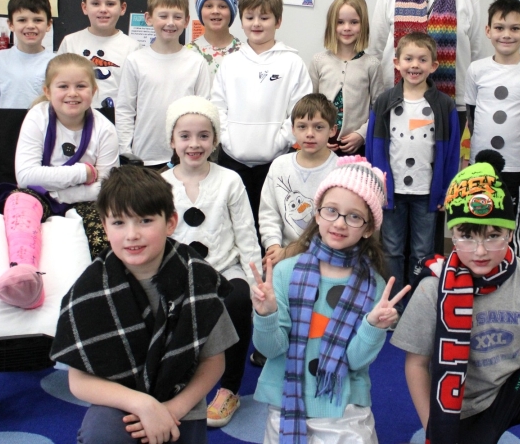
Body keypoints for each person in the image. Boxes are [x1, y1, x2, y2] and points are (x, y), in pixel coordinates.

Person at [392, 150, 520, 444]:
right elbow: (415, 364)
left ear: (510, 234)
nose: (480, 251)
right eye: (467, 236)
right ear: (452, 233)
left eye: (493, 236)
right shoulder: (433, 287)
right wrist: (433, 430)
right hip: (458, 409)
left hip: (508, 390)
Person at [50, 165, 237, 444]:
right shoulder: (90, 289)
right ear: (104, 226)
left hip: (181, 404)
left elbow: (214, 361)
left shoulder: (196, 277)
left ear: (171, 222)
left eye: (145, 221)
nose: (132, 234)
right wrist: (144, 405)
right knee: (103, 436)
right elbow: (78, 382)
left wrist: (174, 409)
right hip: (120, 404)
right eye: (119, 223)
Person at [250, 156, 408, 444]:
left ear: (369, 228)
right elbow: (271, 349)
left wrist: (374, 326)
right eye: (331, 211)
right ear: (317, 213)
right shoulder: (285, 272)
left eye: (354, 216)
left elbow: (355, 361)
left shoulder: (375, 287)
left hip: (344, 408)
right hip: (287, 401)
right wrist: (266, 314)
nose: (339, 223)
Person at [160, 96, 261, 428]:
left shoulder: (229, 180)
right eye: (185, 136)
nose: (194, 144)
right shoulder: (161, 184)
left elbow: (246, 233)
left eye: (204, 136)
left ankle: (229, 387)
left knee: (237, 300)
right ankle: (171, 379)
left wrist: (256, 280)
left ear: (215, 140)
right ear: (172, 140)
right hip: (178, 271)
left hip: (224, 268)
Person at [0, 54, 119, 309]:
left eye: (81, 86)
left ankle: (105, 292)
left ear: (93, 91)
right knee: (18, 202)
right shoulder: (37, 117)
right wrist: (83, 173)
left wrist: (60, 193)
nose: (72, 93)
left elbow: (107, 186)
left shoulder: (104, 129)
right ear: (47, 91)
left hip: (81, 199)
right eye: (63, 86)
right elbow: (26, 176)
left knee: (104, 234)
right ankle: (24, 276)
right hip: (39, 194)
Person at [366, 32, 460, 300]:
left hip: (427, 193)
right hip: (391, 194)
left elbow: (451, 152)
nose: (415, 65)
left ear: (434, 66)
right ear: (396, 63)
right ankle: (393, 303)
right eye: (408, 58)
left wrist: (446, 192)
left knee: (423, 252)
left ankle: (419, 304)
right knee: (392, 249)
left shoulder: (444, 105)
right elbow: (374, 148)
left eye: (422, 59)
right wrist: (376, 186)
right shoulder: (384, 102)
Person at [211, 0, 312, 233]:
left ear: (278, 21)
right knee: (236, 227)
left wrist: (280, 141)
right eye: (250, 17)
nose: (256, 23)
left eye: (264, 18)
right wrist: (227, 140)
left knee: (271, 228)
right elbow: (217, 107)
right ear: (241, 20)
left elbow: (300, 110)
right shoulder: (230, 62)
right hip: (232, 162)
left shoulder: (292, 62)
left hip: (276, 163)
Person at [464, 0, 520, 257]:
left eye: (515, 28)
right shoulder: (476, 70)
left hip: (516, 168)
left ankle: (511, 281)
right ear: (488, 30)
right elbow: (472, 116)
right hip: (480, 168)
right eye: (500, 28)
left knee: (512, 230)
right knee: (477, 228)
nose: (507, 34)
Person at [116, 0, 211, 168]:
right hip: (144, 156)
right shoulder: (135, 60)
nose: (170, 23)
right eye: (163, 16)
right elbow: (125, 110)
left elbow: (204, 111)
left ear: (186, 21)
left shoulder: (197, 63)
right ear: (149, 18)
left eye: (177, 17)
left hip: (185, 156)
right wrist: (125, 151)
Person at [260, 93, 339, 267]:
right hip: (282, 255)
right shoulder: (279, 165)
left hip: (327, 255)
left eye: (319, 127)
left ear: (332, 130)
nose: (310, 134)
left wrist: (289, 252)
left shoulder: (340, 170)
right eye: (302, 127)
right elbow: (269, 213)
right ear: (293, 129)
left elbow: (335, 223)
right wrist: (273, 246)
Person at [309, 0, 383, 156]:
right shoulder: (319, 61)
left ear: (363, 26)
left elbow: (379, 109)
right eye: (340, 22)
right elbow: (310, 105)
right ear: (331, 25)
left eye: (354, 22)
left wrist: (362, 134)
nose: (347, 28)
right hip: (322, 145)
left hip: (356, 147)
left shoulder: (372, 65)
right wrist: (318, 134)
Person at [58, 0, 141, 107]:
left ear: (122, 8)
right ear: (85, 7)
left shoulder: (133, 47)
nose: (103, 9)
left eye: (110, 4)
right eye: (95, 3)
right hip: (76, 117)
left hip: (117, 120)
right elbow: (59, 84)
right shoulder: (70, 42)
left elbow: (135, 93)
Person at [0, 0, 55, 108]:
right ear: (11, 24)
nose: (30, 26)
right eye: (22, 20)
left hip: (43, 125)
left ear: (49, 24)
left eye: (38, 20)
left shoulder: (56, 62)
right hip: (8, 124)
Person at [187, 0, 242, 79]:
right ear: (200, 11)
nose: (215, 11)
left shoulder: (244, 53)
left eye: (222, 6)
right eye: (209, 6)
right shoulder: (188, 52)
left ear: (232, 12)